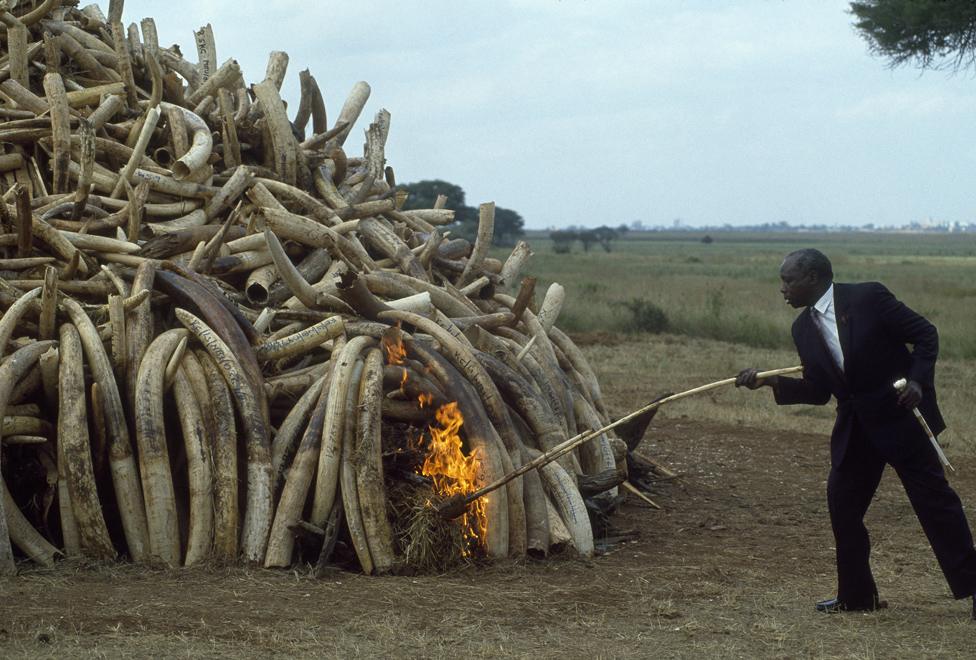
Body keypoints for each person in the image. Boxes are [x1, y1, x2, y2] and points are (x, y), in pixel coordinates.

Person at [735, 248, 976, 620]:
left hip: (901, 419)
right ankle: (857, 596)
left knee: (936, 506)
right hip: (857, 431)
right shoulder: (802, 328)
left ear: (813, 278)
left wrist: (917, 382)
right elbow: (818, 391)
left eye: (788, 280)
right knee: (842, 505)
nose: (783, 289)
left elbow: (926, 335)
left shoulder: (868, 298)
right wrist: (767, 383)